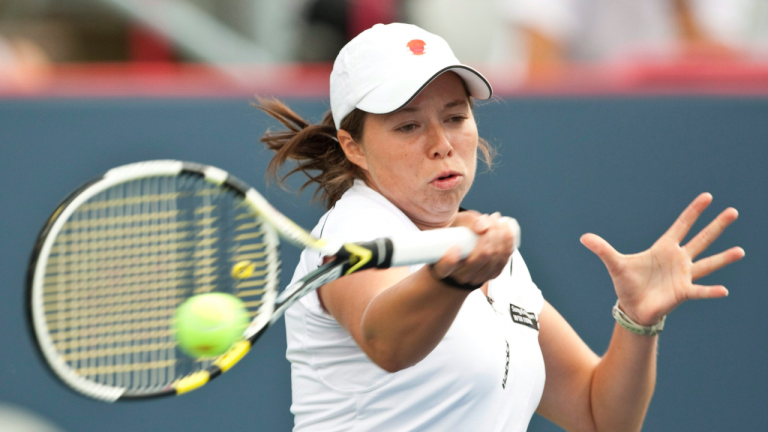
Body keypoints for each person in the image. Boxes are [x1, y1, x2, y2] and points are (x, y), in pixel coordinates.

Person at [257, 23, 744, 431]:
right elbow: (388, 342)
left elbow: (600, 417)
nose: (442, 143)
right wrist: (453, 278)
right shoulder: (351, 233)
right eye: (408, 126)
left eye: (455, 117)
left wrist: (637, 320)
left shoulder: (490, 255)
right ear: (353, 146)